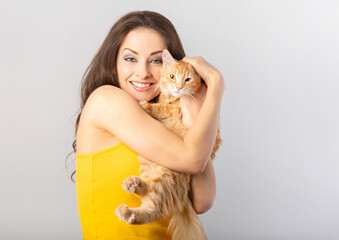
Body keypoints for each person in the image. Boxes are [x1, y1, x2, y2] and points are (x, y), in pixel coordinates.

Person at [73, 10, 225, 239]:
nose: (143, 73)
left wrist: (190, 105)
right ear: (113, 62)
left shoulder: (167, 116)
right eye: (130, 58)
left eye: (155, 60)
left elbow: (203, 200)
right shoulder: (106, 100)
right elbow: (193, 160)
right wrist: (215, 86)